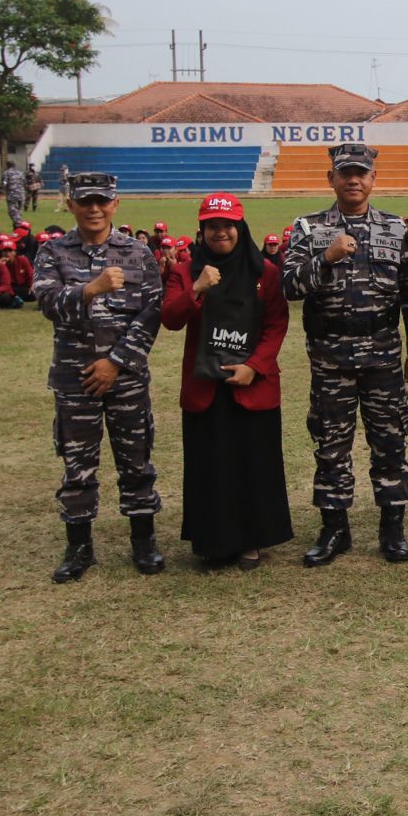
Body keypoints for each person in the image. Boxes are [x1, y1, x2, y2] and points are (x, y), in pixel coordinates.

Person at [282, 143, 408, 567]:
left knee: (390, 440)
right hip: (331, 356)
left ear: (373, 179)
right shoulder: (309, 228)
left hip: (382, 354)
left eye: (360, 173)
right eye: (345, 173)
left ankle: (392, 528)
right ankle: (334, 529)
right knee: (330, 442)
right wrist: (325, 259)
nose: (353, 180)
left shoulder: (396, 228)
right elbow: (288, 286)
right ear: (331, 179)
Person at [31, 172, 166, 583]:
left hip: (125, 378)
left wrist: (116, 362)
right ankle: (79, 547)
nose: (94, 209)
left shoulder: (137, 253)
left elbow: (153, 312)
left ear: (115, 204)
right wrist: (90, 289)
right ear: (71, 204)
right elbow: (47, 302)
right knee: (78, 466)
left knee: (136, 460)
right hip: (75, 380)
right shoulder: (53, 252)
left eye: (102, 201)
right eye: (85, 201)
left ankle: (143, 541)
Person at [161, 192, 292, 569]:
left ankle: (251, 540)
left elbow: (276, 323)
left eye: (228, 225)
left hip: (252, 385)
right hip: (205, 386)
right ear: (201, 231)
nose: (221, 232)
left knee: (253, 463)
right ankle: (213, 543)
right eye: (212, 226)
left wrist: (255, 365)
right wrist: (197, 288)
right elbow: (170, 318)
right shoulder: (186, 271)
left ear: (241, 228)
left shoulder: (265, 272)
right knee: (210, 465)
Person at [1, 161, 27, 228]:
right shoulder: (20, 173)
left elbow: (4, 183)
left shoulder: (7, 173)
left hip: (12, 195)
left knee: (12, 212)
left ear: (7, 166)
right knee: (18, 212)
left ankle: (19, 226)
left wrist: (1, 190)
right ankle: (16, 227)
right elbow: (25, 183)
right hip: (21, 195)